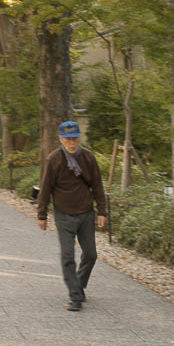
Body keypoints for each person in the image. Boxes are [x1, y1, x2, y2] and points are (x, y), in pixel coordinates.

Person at [36, 120, 106, 312]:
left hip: (86, 214)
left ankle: (79, 285)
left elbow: (98, 186)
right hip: (64, 215)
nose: (71, 143)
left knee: (91, 254)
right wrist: (42, 214)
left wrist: (102, 211)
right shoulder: (54, 159)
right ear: (60, 139)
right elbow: (46, 188)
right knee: (68, 255)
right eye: (67, 139)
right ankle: (75, 296)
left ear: (79, 138)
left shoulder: (89, 158)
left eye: (74, 138)